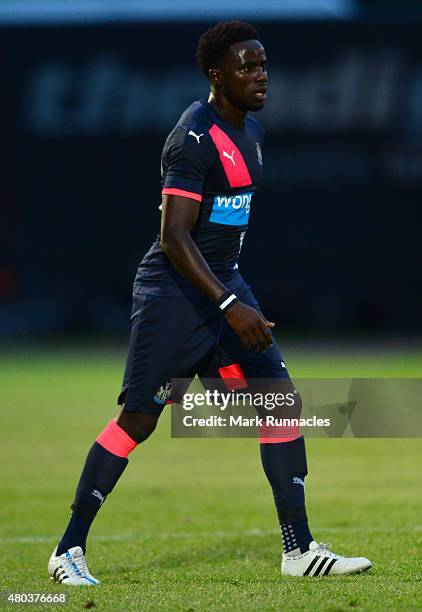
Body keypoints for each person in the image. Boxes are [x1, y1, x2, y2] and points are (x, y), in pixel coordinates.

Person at [48, 21, 371, 585]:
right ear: (217, 75)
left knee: (280, 405)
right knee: (139, 420)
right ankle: (66, 552)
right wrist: (228, 306)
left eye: (264, 64)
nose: (261, 74)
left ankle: (299, 550)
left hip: (224, 285)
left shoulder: (253, 132)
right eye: (247, 66)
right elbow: (175, 238)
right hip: (175, 293)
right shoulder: (192, 136)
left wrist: (230, 298)